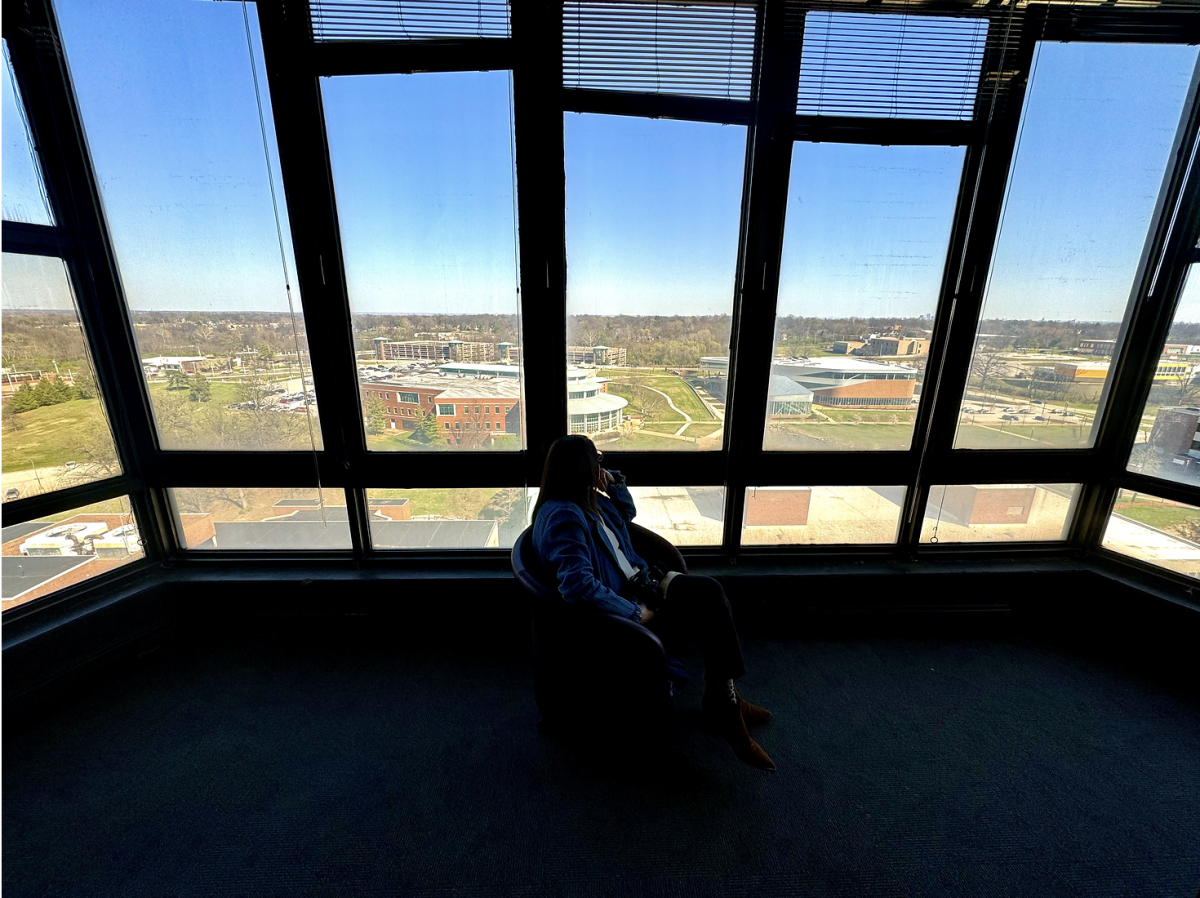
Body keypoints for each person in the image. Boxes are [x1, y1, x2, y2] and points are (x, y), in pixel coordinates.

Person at [531, 435, 775, 772]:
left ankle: (724, 699)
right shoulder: (564, 516)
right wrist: (634, 613)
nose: (602, 465)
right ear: (582, 467)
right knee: (710, 600)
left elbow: (627, 513)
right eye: (598, 460)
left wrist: (614, 482)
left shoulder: (589, 500)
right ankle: (725, 707)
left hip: (646, 582)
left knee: (710, 593)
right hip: (628, 602)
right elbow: (576, 585)